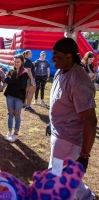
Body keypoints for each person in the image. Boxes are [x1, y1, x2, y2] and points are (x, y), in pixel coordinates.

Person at [49, 38, 97, 200]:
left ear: (69, 55)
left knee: (57, 180)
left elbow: (91, 121)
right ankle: (87, 196)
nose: (52, 58)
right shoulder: (60, 71)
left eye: (56, 55)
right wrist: (52, 122)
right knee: (65, 177)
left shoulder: (79, 81)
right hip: (59, 135)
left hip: (68, 140)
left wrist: (84, 155)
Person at [4, 54, 29, 142]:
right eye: (15, 61)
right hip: (10, 95)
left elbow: (21, 86)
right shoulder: (11, 70)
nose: (16, 63)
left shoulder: (25, 73)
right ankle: (9, 132)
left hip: (19, 97)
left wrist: (12, 80)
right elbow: (6, 80)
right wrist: (15, 80)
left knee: (17, 114)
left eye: (18, 62)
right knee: (10, 113)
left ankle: (15, 133)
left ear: (22, 62)